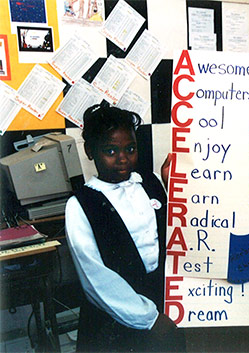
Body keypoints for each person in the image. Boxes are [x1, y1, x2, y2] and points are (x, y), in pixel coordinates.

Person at [65, 104, 185, 352]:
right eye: (111, 150)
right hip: (115, 317)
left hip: (163, 305)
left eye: (130, 149)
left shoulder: (149, 181)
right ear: (90, 151)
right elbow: (94, 277)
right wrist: (148, 318)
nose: (123, 158)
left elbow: (172, 235)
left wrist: (169, 186)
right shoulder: (80, 205)